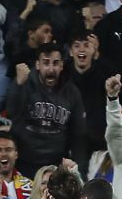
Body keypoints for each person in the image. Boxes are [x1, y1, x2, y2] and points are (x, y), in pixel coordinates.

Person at [7, 43, 87, 177]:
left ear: (61, 65)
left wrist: (81, 171)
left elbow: (79, 134)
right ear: (38, 65)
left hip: (55, 164)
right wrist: (18, 84)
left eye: (55, 63)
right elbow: (11, 112)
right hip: (24, 162)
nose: (51, 69)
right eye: (46, 63)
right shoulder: (25, 83)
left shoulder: (72, 92)